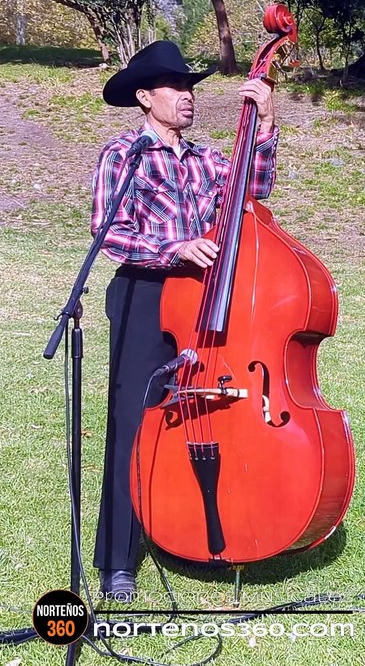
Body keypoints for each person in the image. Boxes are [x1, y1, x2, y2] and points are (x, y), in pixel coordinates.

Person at [91, 41, 280, 600]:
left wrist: (265, 125)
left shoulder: (207, 159)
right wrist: (175, 249)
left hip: (200, 296)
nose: (187, 96)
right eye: (174, 87)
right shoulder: (123, 154)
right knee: (134, 421)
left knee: (205, 416)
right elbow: (108, 232)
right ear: (145, 97)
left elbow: (253, 191)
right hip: (145, 295)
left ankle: (197, 530)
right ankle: (118, 560)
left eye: (189, 87)